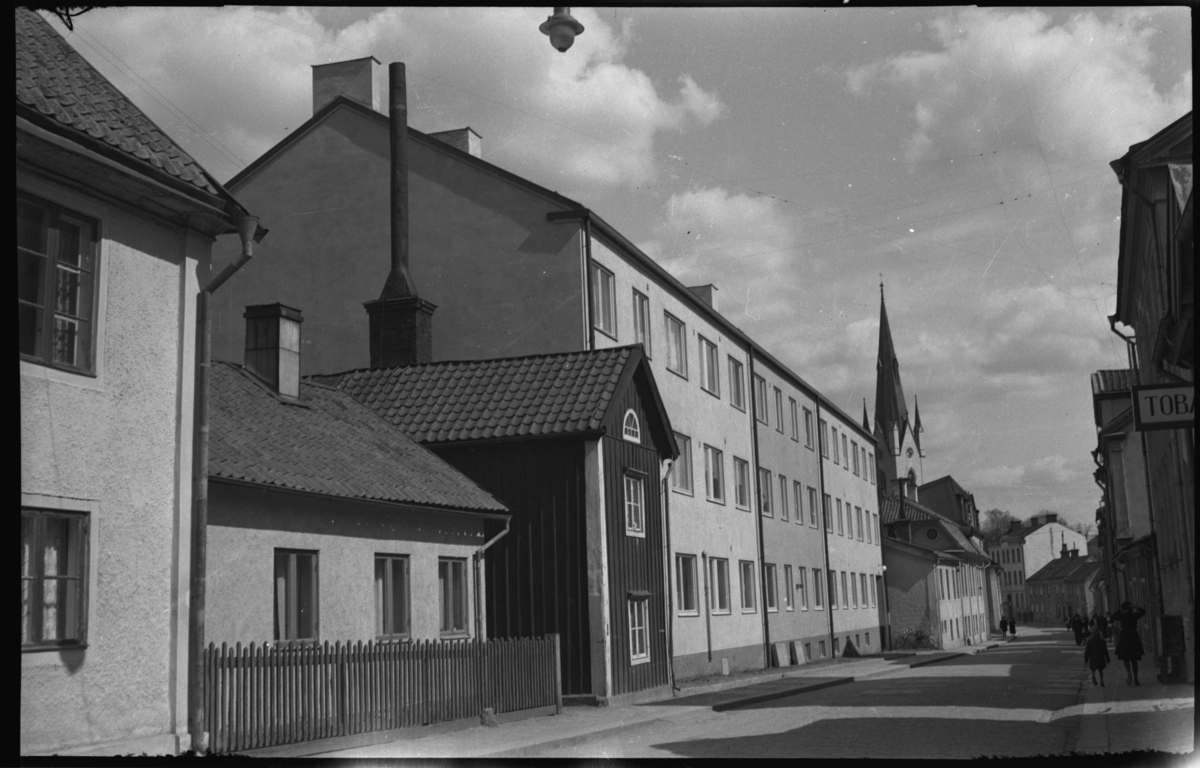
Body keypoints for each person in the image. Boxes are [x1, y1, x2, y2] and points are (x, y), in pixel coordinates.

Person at [1112, 602, 1147, 685]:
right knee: (1134, 660)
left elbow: (1113, 616)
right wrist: (1136, 606)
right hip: (1133, 636)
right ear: (1131, 608)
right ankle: (1136, 678)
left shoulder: (1122, 616)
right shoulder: (1134, 615)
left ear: (1123, 609)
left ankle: (1128, 672)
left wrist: (1120, 610)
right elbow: (1143, 612)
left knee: (1125, 658)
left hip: (1124, 637)